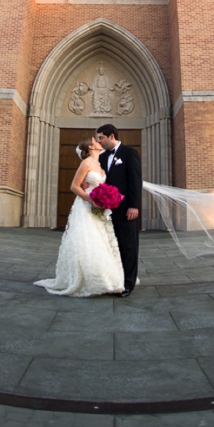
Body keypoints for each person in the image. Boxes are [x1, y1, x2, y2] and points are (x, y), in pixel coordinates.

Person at [34, 137, 124, 297]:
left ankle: (105, 277)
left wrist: (106, 198)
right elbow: (74, 186)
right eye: (96, 140)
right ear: (91, 146)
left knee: (101, 240)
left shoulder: (101, 164)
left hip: (99, 208)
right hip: (85, 206)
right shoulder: (86, 163)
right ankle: (88, 279)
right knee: (87, 239)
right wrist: (92, 200)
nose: (99, 142)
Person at [96, 124, 142, 297]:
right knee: (113, 247)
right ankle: (115, 280)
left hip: (126, 209)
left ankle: (128, 284)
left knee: (128, 246)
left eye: (101, 138)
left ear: (111, 136)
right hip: (108, 211)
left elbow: (135, 181)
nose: (99, 141)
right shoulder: (102, 157)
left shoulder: (129, 153)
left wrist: (134, 205)